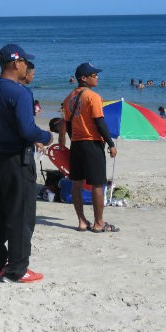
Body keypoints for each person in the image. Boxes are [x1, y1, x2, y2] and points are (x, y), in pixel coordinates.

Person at [0, 44, 53, 283]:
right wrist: (46, 137)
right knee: (21, 215)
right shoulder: (19, 92)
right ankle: (17, 269)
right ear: (14, 63)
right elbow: (28, 130)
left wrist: (3, 128)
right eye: (24, 62)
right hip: (16, 158)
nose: (26, 66)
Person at [60, 62, 119, 233]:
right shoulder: (93, 97)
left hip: (77, 145)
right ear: (83, 78)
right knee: (97, 184)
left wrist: (74, 141)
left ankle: (81, 221)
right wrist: (111, 144)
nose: (97, 77)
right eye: (94, 75)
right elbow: (100, 123)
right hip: (92, 144)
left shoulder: (68, 98)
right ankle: (99, 223)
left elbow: (69, 125)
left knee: (76, 184)